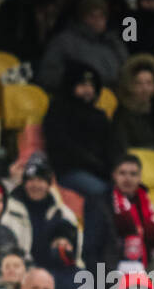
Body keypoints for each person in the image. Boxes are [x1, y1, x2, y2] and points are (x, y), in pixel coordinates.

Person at [43, 61, 116, 202]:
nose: (88, 90)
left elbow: (112, 145)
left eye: (91, 85)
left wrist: (113, 168)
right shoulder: (58, 111)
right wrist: (97, 166)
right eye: (82, 85)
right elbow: (64, 146)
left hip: (100, 171)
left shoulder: (99, 115)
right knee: (101, 191)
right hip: (70, 171)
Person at [34, 0, 129, 95]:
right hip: (81, 98)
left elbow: (128, 68)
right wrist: (77, 83)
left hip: (116, 97)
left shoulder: (113, 42)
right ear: (82, 18)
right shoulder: (64, 42)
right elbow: (47, 76)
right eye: (92, 16)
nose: (98, 21)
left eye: (102, 16)